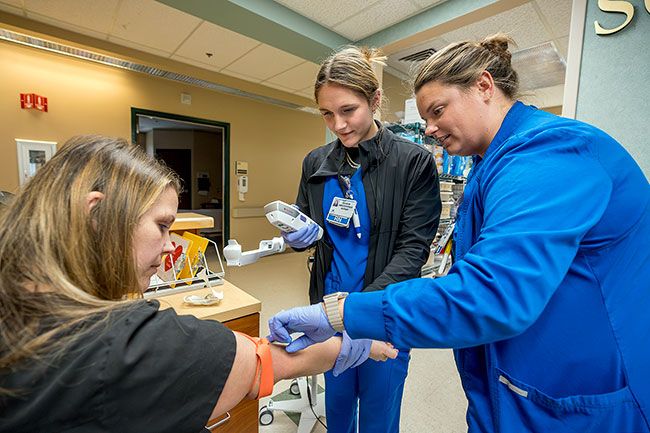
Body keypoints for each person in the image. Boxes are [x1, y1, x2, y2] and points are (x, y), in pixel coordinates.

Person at [268, 33, 650, 433]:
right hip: (511, 383)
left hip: (583, 401)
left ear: (484, 87)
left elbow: (490, 292)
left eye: (437, 111)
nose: (429, 129)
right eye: (426, 118)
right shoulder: (490, 166)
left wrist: (345, 313)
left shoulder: (548, 153)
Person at [0, 135, 397, 433]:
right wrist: (362, 341)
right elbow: (267, 360)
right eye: (161, 225)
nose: (172, 245)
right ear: (97, 214)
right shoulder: (124, 344)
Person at [280, 45, 441, 433]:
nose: (338, 125)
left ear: (375, 100)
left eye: (348, 110)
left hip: (383, 310)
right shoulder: (315, 163)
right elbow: (307, 234)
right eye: (326, 114)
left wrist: (359, 309)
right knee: (337, 407)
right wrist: (296, 237)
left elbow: (411, 251)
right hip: (328, 310)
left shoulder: (412, 162)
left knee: (378, 414)